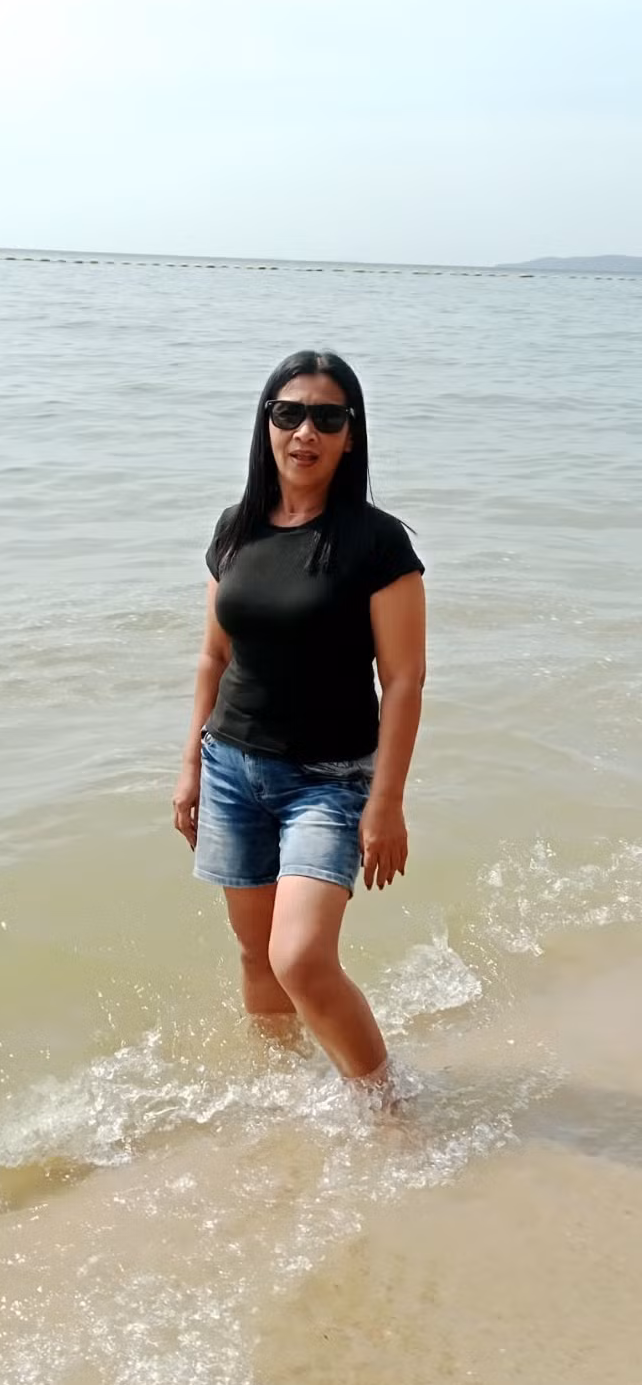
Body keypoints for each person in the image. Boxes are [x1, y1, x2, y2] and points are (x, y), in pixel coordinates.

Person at [173, 350, 426, 1087]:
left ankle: (385, 1107)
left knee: (301, 959)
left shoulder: (377, 543)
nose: (305, 431)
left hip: (330, 781)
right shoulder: (237, 529)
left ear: (351, 435)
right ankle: (280, 1093)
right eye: (288, 413)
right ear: (267, 425)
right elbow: (213, 658)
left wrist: (387, 802)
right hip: (231, 770)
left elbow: (403, 680)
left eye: (327, 417)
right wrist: (190, 766)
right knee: (257, 958)